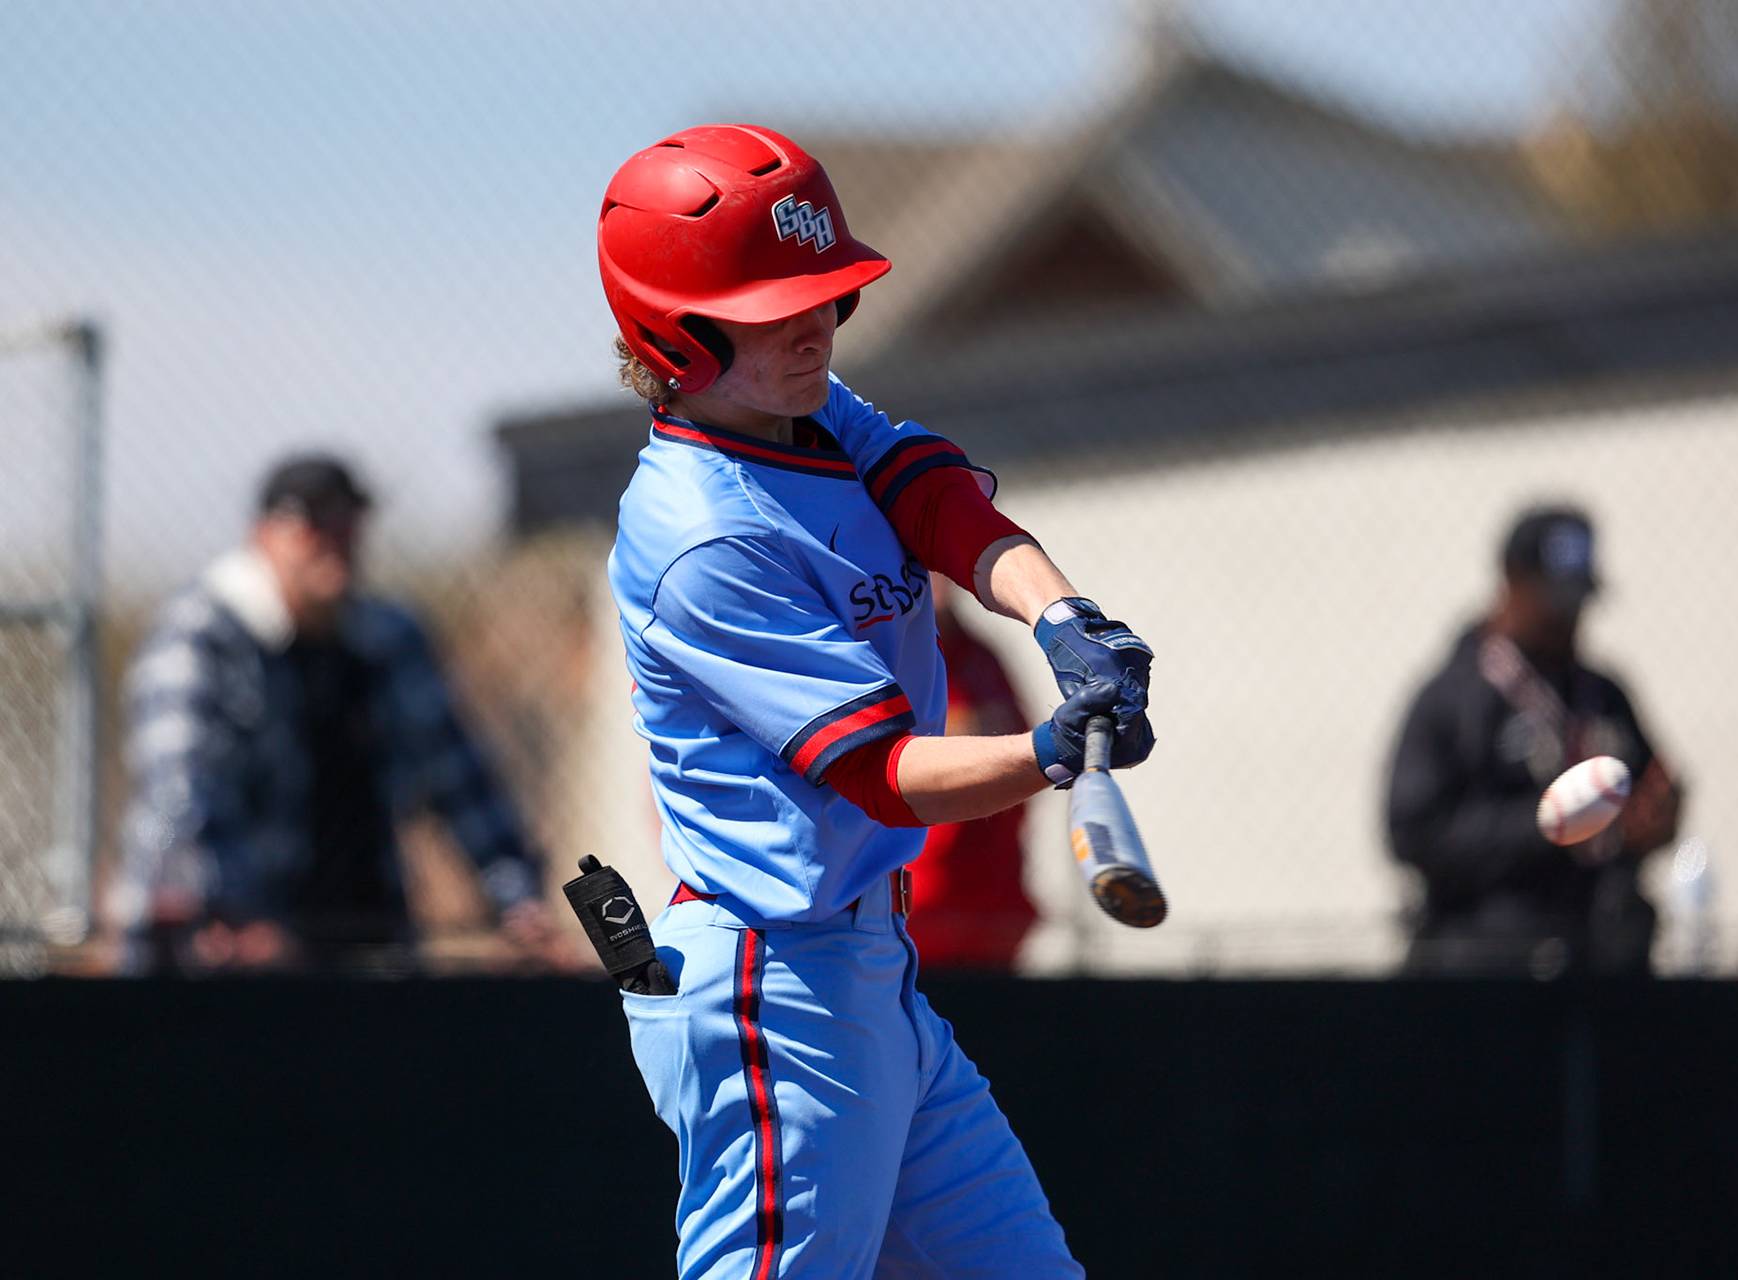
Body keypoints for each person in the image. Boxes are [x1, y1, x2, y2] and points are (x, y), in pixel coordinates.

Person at [601, 123, 1154, 1278]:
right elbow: (881, 771)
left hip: (873, 974)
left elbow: (934, 494)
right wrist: (1050, 749)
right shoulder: (700, 535)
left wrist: (1064, 619)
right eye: (771, 306)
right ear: (678, 333)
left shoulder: (800, 407)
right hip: (776, 985)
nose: (812, 324)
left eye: (824, 297)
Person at [110, 453, 558, 974]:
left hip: (363, 939)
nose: (335, 539)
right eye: (313, 523)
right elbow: (180, 796)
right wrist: (235, 917)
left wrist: (519, 904)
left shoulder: (390, 637)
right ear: (262, 534)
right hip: (214, 956)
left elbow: (464, 782)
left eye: (349, 522)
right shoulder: (199, 636)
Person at [1387, 506, 1683, 977]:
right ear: (1511, 581)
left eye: (1578, 602)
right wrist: (1553, 824)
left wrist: (1658, 816)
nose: (1569, 620)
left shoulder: (1603, 694)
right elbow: (1414, 833)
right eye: (1555, 602)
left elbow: (1652, 791)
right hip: (1488, 964)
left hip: (1602, 955)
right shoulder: (1452, 698)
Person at [907, 578, 1039, 972]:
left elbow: (1027, 747)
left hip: (991, 903)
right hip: (919, 907)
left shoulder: (978, 655)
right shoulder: (888, 654)